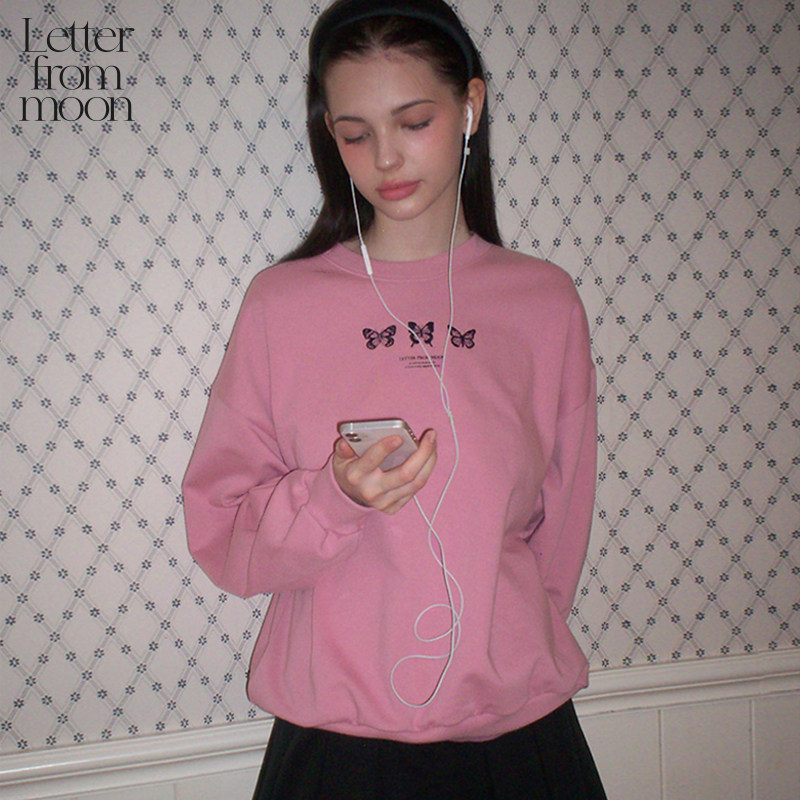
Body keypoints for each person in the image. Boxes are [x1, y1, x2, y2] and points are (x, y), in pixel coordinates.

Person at [182, 0, 607, 797]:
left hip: (521, 736)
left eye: (414, 121)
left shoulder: (544, 304)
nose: (384, 157)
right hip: (339, 752)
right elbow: (222, 535)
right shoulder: (282, 305)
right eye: (354, 133)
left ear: (470, 106)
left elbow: (561, 528)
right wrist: (332, 499)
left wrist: (501, 650)